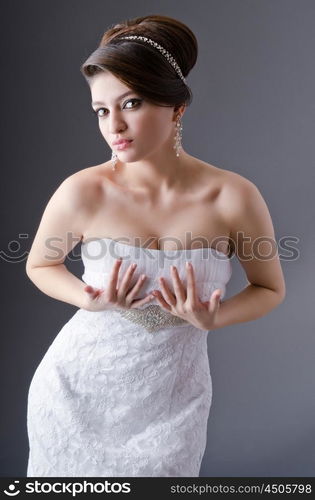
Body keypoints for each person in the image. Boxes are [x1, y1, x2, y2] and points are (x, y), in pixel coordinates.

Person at [25, 14, 286, 477]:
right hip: (75, 390)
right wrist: (90, 298)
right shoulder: (84, 191)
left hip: (173, 404)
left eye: (132, 103)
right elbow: (40, 265)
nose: (114, 125)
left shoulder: (232, 196)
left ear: (176, 107)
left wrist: (216, 316)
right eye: (102, 110)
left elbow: (269, 288)